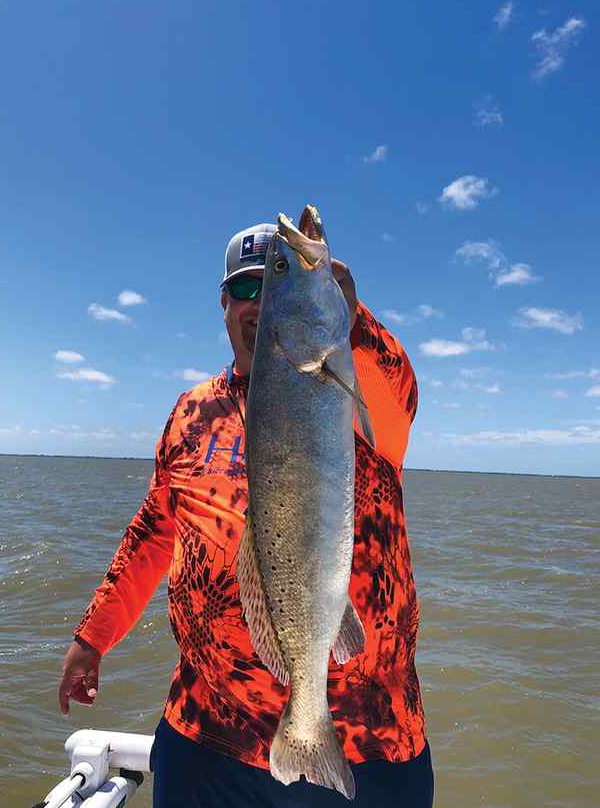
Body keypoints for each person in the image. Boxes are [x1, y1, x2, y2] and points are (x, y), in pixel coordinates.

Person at [59, 221, 434, 807]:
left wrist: (352, 322)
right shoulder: (192, 411)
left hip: (368, 742)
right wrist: (94, 637)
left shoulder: (350, 387)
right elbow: (155, 533)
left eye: (274, 283)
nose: (261, 303)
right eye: (246, 290)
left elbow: (401, 393)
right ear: (224, 304)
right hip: (208, 732)